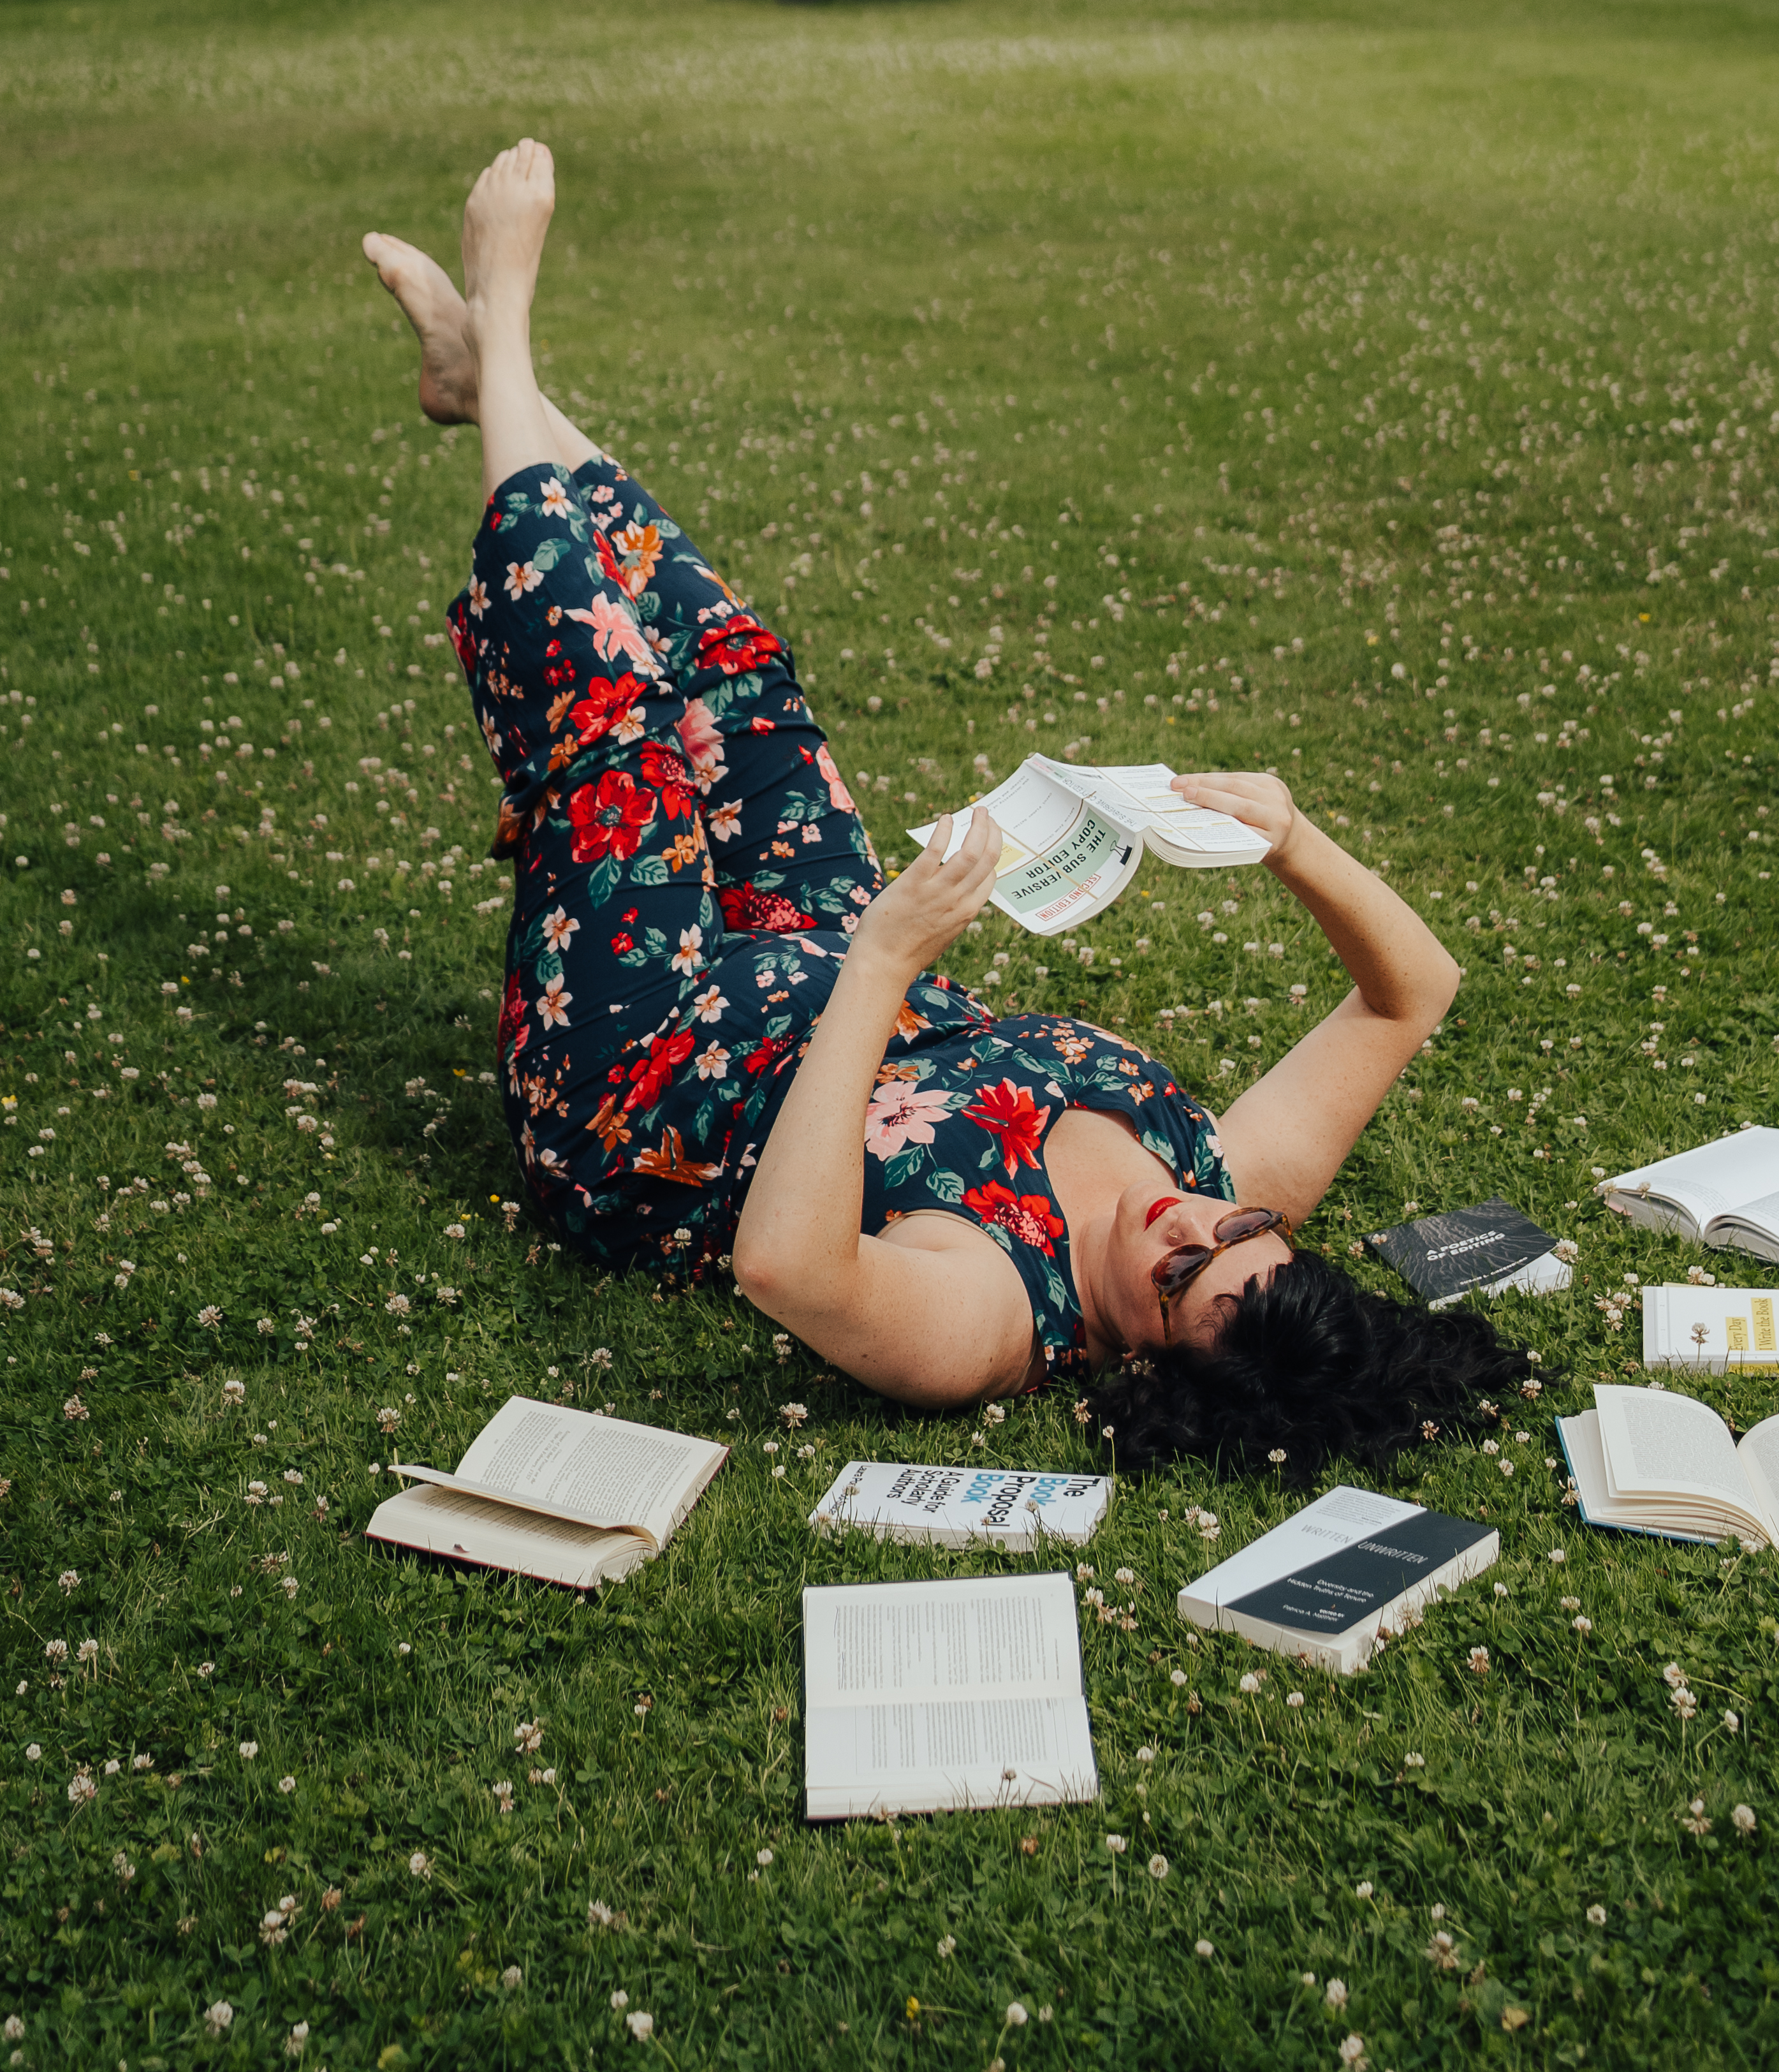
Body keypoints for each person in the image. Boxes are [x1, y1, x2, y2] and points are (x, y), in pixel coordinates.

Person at [363, 140, 1527, 1474]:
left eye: (1176, 1280)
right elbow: (1408, 994)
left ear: (1149, 1358)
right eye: (1233, 1233)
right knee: (741, 685)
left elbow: (787, 1268)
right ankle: (489, 386)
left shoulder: (988, 1317)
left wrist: (883, 957)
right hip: (818, 961)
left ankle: (500, 332)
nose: (1181, 1226)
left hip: (649, 1086)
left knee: (617, 728)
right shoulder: (1213, 1174)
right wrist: (1293, 839)